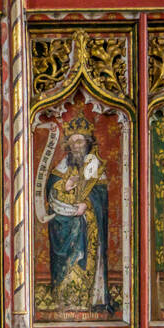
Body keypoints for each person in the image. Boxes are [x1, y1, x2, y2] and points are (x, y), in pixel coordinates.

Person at [44, 115, 112, 312]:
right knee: (65, 262)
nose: (76, 146)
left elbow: (100, 197)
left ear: (87, 143)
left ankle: (88, 301)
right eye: (73, 142)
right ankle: (64, 301)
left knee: (87, 260)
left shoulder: (95, 168)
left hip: (88, 226)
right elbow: (51, 193)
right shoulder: (61, 168)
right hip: (64, 226)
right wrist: (64, 186)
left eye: (80, 141)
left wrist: (87, 204)